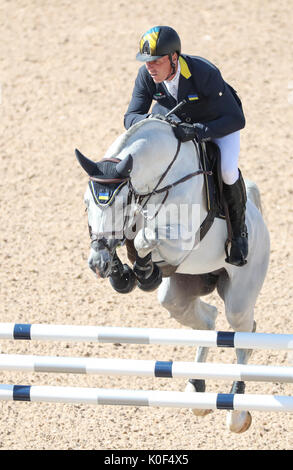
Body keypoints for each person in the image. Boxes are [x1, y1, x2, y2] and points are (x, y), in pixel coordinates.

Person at [124, 25, 248, 267]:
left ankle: (239, 234)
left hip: (215, 127)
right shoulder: (146, 76)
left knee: (227, 171)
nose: (150, 67)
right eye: (147, 61)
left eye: (156, 61)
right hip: (175, 131)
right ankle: (122, 232)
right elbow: (130, 118)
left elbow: (236, 119)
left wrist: (199, 131)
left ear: (173, 57)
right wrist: (157, 122)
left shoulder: (204, 72)